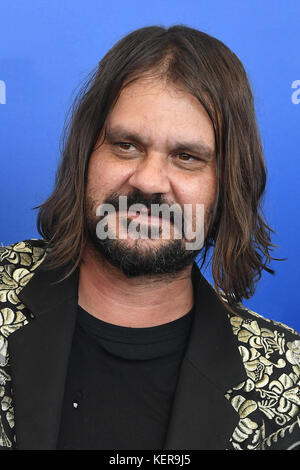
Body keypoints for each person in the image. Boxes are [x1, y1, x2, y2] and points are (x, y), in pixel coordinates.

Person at [0, 25, 299, 451]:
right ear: (86, 155)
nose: (148, 182)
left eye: (187, 157)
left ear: (228, 185)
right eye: (125, 145)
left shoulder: (288, 384)